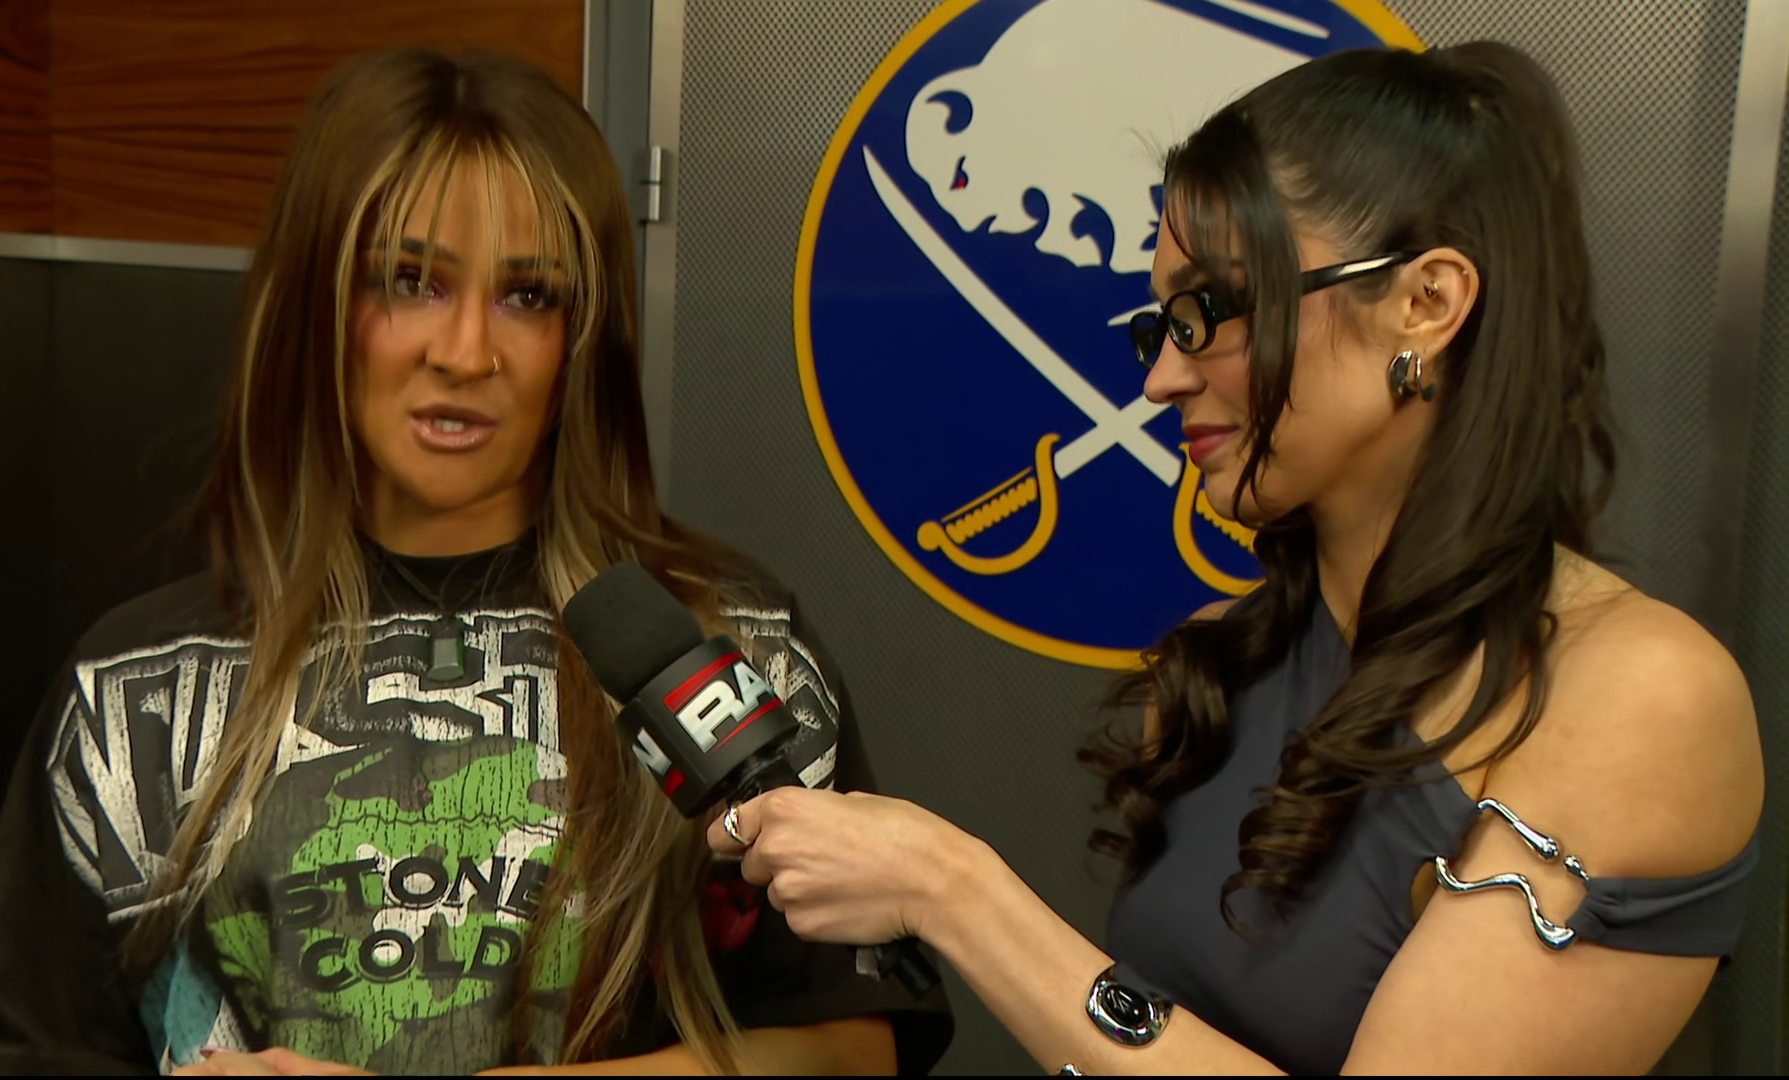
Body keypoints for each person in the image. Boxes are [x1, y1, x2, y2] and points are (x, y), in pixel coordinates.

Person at [709, 41, 1763, 1076]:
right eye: (1162, 325)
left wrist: (952, 891)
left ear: (1426, 303)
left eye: (1210, 310)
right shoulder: (1223, 668)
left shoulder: (1638, 697)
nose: (1163, 379)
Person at [0, 48, 950, 1077]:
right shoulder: (134, 692)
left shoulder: (724, 653)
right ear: (318, 304)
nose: (465, 353)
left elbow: (853, 1049)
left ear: (583, 337)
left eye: (527, 295)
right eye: (409, 281)